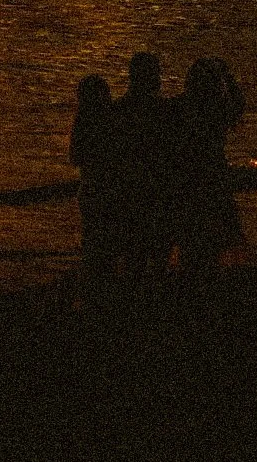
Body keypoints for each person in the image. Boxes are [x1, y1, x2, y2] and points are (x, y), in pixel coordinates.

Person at [171, 57, 245, 278]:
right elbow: (239, 105)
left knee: (190, 240)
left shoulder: (178, 108)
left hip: (186, 179)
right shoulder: (215, 111)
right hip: (213, 178)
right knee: (213, 240)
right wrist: (227, 77)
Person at [107, 50, 177, 281]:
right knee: (157, 257)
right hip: (157, 191)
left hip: (128, 192)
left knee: (133, 257)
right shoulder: (164, 112)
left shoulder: (117, 111)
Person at [69, 75, 122, 298]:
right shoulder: (114, 120)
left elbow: (75, 157)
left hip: (91, 189)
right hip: (111, 190)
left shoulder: (82, 122)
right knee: (109, 241)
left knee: (92, 242)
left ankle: (92, 292)